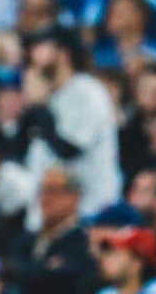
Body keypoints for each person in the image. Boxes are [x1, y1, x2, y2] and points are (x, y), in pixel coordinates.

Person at [19, 26, 121, 229]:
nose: (33, 56)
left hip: (88, 214)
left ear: (63, 54)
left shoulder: (86, 91)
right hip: (46, 216)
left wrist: (40, 107)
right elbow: (18, 147)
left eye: (40, 48)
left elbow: (68, 149)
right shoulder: (51, 96)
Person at [10, 168, 98, 294]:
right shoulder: (25, 240)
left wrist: (32, 271)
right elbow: (13, 274)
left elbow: (72, 281)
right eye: (42, 191)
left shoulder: (86, 240)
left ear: (75, 197)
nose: (45, 198)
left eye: (53, 191)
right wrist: (46, 268)